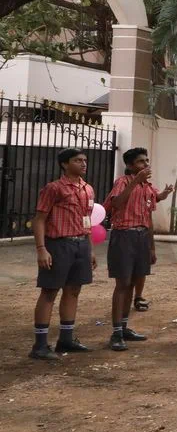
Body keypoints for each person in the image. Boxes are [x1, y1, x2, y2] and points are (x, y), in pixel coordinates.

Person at [29, 148, 97, 360]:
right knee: (49, 291)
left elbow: (87, 221)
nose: (83, 164)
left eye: (85, 160)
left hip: (80, 245)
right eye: (78, 160)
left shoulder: (87, 189)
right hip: (58, 245)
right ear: (65, 164)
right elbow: (39, 219)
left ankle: (66, 338)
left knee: (73, 290)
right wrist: (42, 249)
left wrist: (90, 249)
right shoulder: (54, 188)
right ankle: (40, 345)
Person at [104, 147, 173, 351]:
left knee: (134, 282)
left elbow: (150, 209)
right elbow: (115, 203)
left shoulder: (147, 186)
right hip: (124, 235)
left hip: (141, 236)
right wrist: (135, 181)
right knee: (122, 283)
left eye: (146, 161)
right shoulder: (123, 182)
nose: (145, 165)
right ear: (130, 165)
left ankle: (124, 327)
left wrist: (151, 247)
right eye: (141, 162)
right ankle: (116, 333)